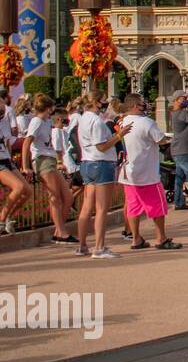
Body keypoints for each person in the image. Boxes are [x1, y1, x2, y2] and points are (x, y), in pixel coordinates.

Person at [119, 93, 182, 251]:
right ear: (135, 106)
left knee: (133, 207)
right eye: (141, 103)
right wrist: (170, 139)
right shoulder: (147, 122)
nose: (144, 106)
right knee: (157, 206)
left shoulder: (123, 121)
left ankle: (135, 238)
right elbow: (160, 140)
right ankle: (161, 238)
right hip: (147, 172)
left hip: (129, 171)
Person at [74, 91, 130, 258]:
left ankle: (83, 245)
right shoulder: (96, 121)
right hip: (100, 163)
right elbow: (101, 146)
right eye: (104, 100)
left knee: (86, 207)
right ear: (96, 103)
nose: (106, 103)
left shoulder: (83, 118)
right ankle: (99, 247)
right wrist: (119, 135)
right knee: (101, 209)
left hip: (87, 162)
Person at [21, 94, 77, 243]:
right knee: (55, 197)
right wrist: (25, 166)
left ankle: (59, 229)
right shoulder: (37, 121)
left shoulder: (45, 122)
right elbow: (27, 143)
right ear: (47, 108)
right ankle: (61, 232)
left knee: (68, 197)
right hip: (42, 160)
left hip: (50, 159)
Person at [0, 95, 33, 236]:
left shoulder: (4, 122)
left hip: (7, 159)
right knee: (18, 187)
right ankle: (1, 219)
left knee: (28, 191)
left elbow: (7, 141)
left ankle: (8, 217)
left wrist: (12, 160)